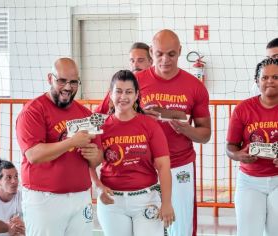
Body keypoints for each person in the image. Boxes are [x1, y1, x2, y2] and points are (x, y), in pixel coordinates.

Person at [136, 29, 211, 236]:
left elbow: (205, 134)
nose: (165, 60)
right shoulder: (134, 83)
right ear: (151, 52)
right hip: (142, 165)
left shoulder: (195, 87)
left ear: (179, 51)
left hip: (180, 166)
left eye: (171, 54)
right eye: (159, 53)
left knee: (181, 228)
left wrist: (187, 130)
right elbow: (108, 115)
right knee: (146, 226)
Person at [16, 57, 102, 236]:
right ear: (50, 79)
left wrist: (94, 155)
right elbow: (33, 155)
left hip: (80, 197)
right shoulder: (33, 111)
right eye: (62, 81)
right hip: (45, 198)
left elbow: (96, 160)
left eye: (73, 82)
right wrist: (71, 142)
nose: (68, 87)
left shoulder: (85, 114)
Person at [91, 70, 174, 236]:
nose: (123, 97)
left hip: (146, 200)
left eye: (129, 92)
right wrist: (99, 187)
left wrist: (166, 203)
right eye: (119, 91)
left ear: (137, 95)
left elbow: (163, 166)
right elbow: (88, 164)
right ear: (110, 95)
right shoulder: (99, 126)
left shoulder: (149, 125)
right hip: (112, 202)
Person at [226, 57, 278, 236]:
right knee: (248, 232)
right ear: (257, 81)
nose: (270, 81)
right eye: (265, 78)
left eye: (275, 77)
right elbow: (230, 147)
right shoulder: (243, 109)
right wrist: (239, 155)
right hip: (250, 180)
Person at [95, 42, 153, 114]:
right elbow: (97, 114)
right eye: (132, 61)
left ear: (151, 62)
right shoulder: (119, 84)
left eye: (140, 60)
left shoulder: (156, 83)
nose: (135, 64)